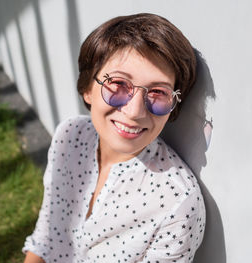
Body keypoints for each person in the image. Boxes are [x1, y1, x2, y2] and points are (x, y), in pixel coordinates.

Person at [23, 13, 205, 263]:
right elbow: (46, 237)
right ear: (88, 88)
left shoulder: (178, 205)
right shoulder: (70, 135)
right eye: (118, 84)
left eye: (158, 92)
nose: (134, 112)